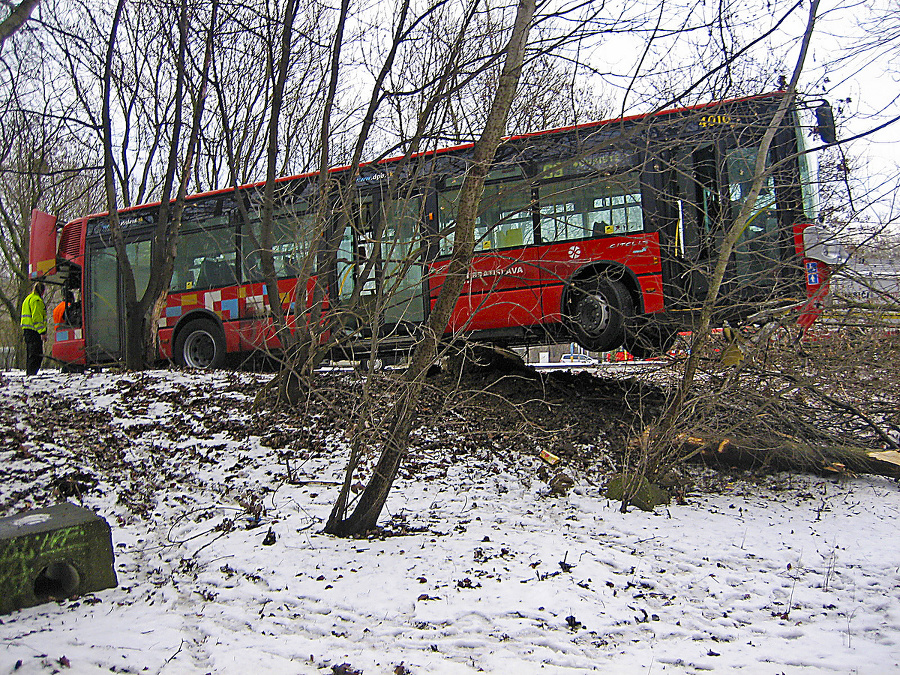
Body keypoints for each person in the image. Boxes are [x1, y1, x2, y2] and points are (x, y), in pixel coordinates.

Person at [20, 281, 47, 376]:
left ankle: (29, 373)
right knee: (37, 355)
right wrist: (42, 332)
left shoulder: (28, 298)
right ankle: (32, 374)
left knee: (30, 354)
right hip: (34, 331)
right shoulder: (37, 300)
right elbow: (37, 318)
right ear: (42, 291)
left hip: (27, 330)